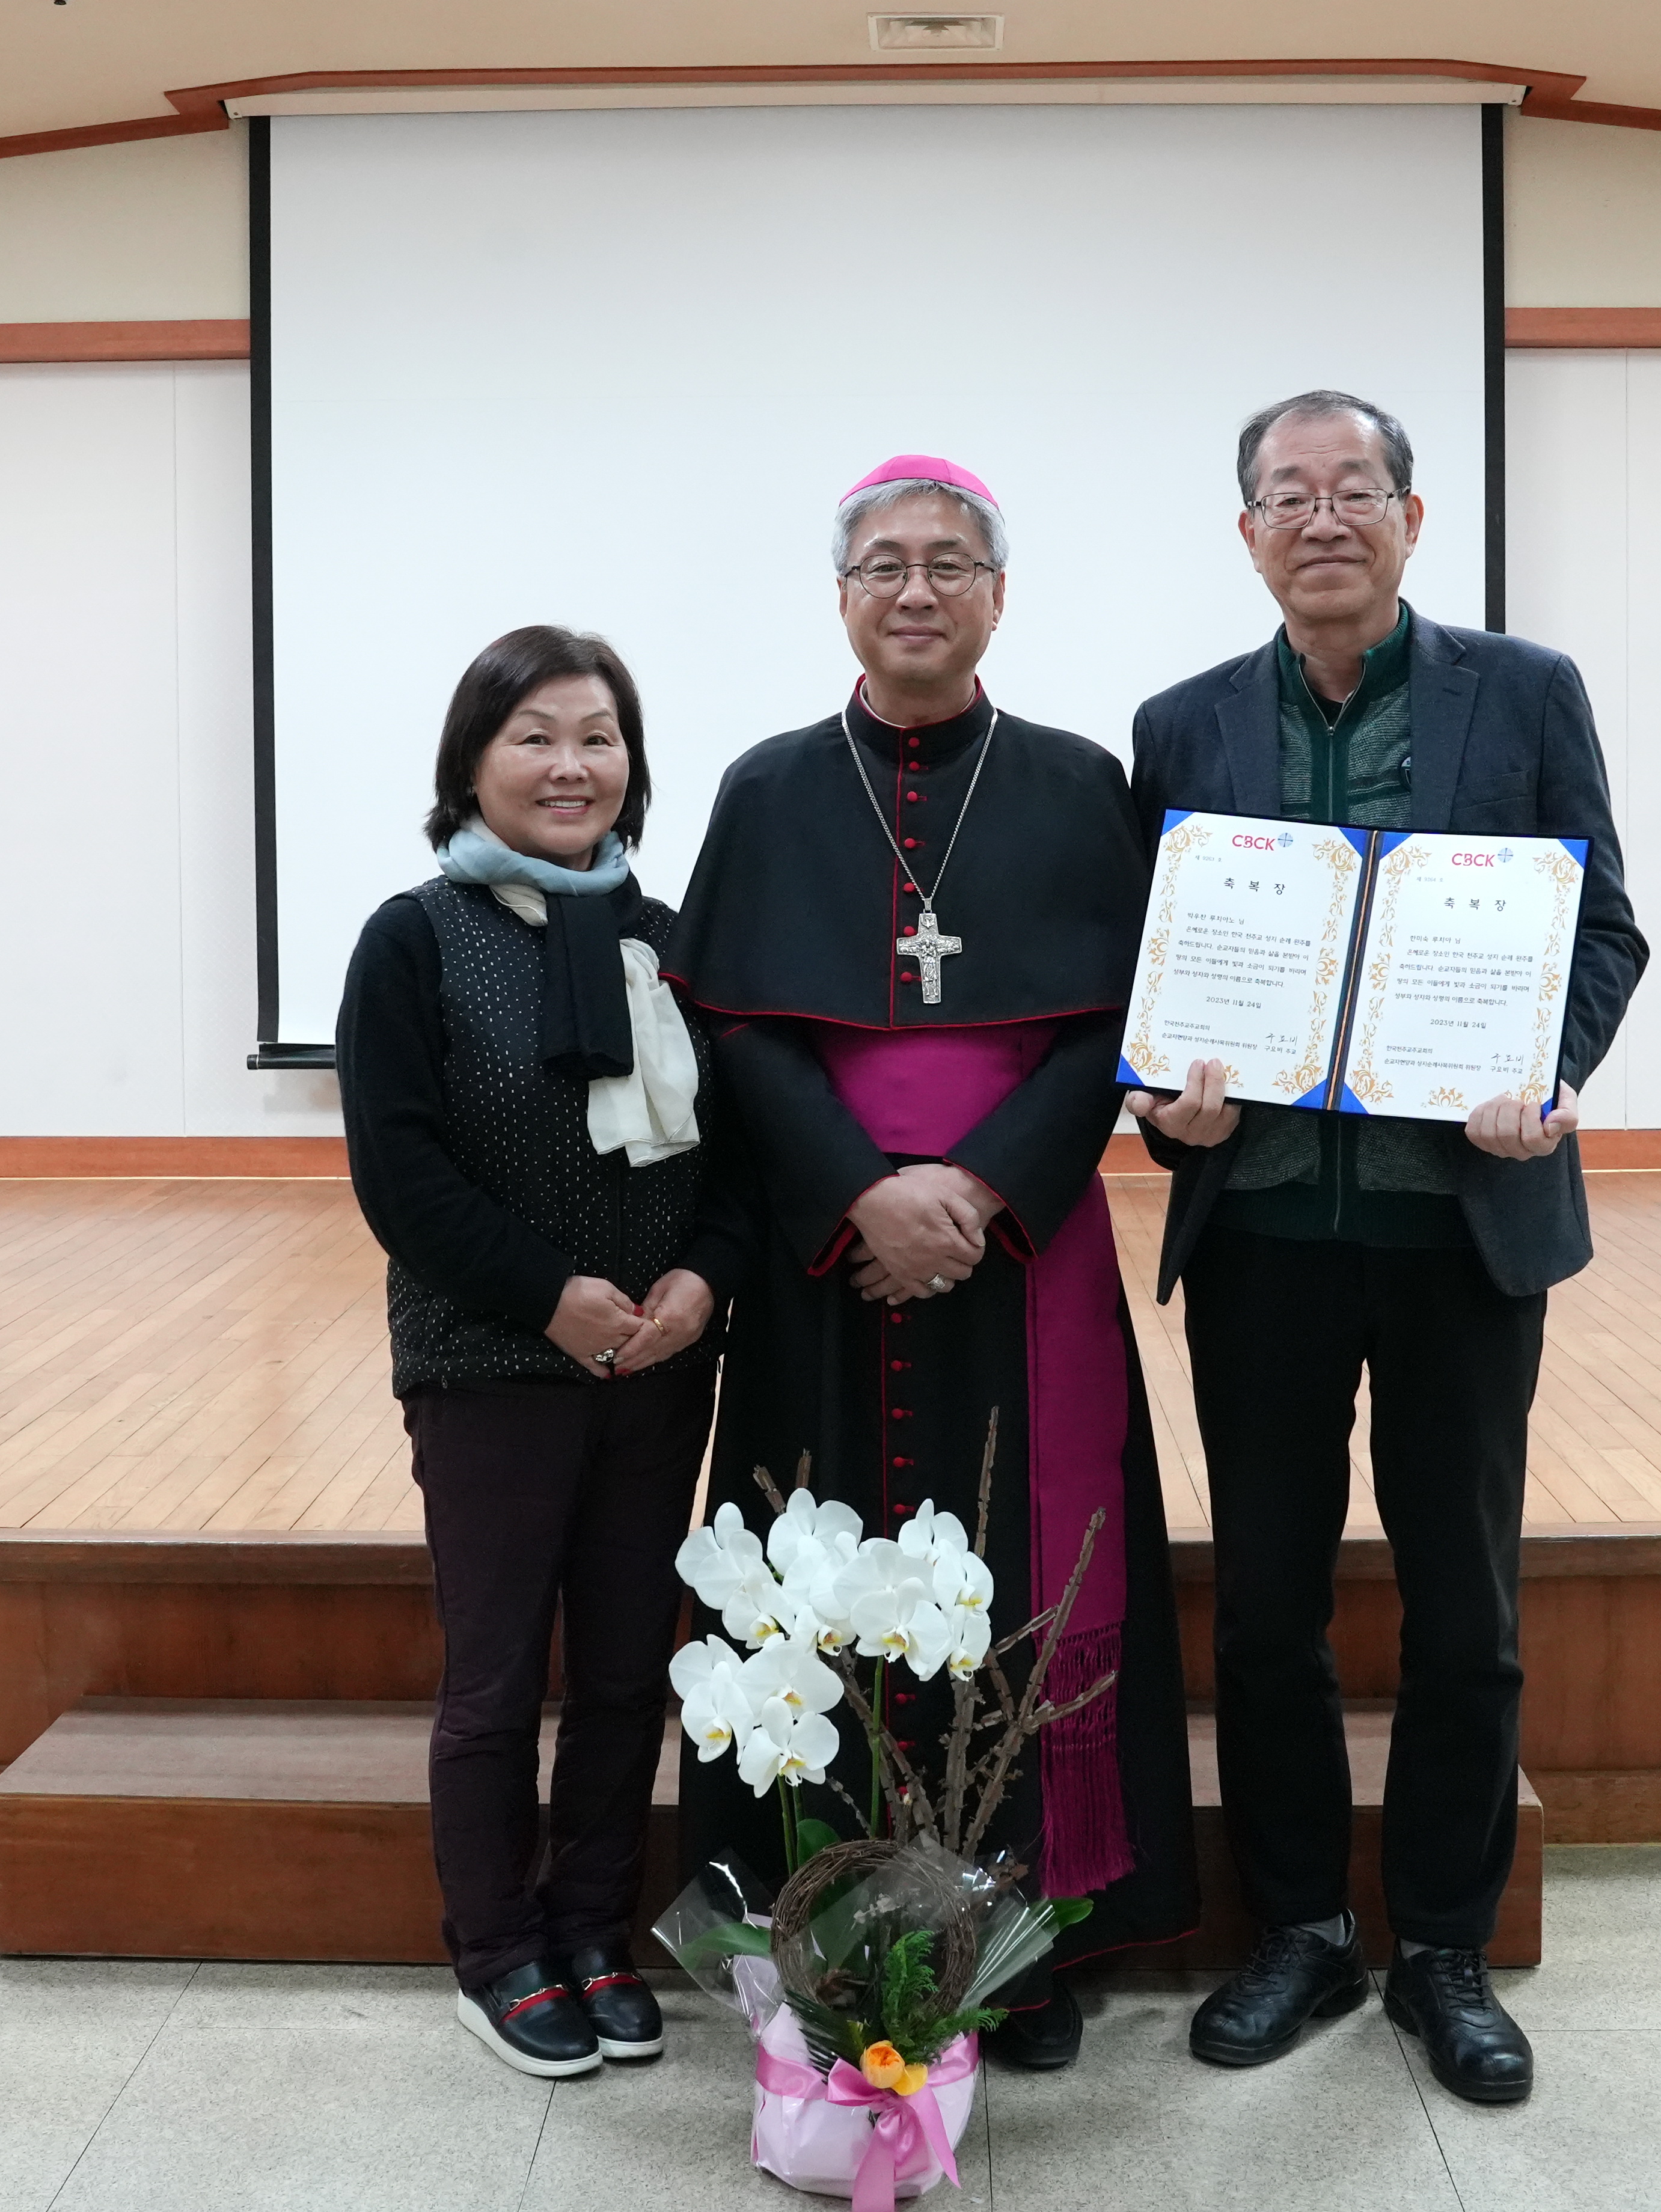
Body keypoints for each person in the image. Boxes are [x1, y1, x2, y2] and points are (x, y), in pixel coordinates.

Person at [1125, 390, 1646, 2107]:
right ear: (1250, 533)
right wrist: (1163, 1111)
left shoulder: (1526, 693)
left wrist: (1541, 1073)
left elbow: (1605, 928)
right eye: (1290, 493)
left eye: (1358, 490)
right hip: (1266, 1226)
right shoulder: (1185, 725)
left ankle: (1442, 1945)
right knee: (1268, 1605)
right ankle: (1296, 1931)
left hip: (1459, 1228)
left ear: (1414, 522)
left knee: (1466, 1606)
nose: (1324, 517)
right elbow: (1165, 971)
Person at [664, 455, 1202, 2066]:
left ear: (998, 595)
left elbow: (1112, 1017)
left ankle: (1018, 1951)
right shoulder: (768, 788)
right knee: (808, 1573)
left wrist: (973, 1188)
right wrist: (859, 1194)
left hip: (1017, 1253)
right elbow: (735, 1023)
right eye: (887, 563)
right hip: (828, 1258)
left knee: (1033, 1574)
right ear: (843, 596)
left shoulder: (1072, 781)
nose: (918, 588)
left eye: (951, 563)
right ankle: (823, 1942)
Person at [337, 625, 738, 2080]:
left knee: (632, 1669)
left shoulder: (670, 935)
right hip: (489, 1357)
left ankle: (592, 1925)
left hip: (659, 1358)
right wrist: (548, 1293)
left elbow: (733, 1151)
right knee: (499, 1676)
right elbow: (401, 1171)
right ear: (472, 764)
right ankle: (498, 1949)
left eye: (600, 736)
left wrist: (700, 1277)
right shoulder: (413, 935)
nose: (573, 765)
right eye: (536, 737)